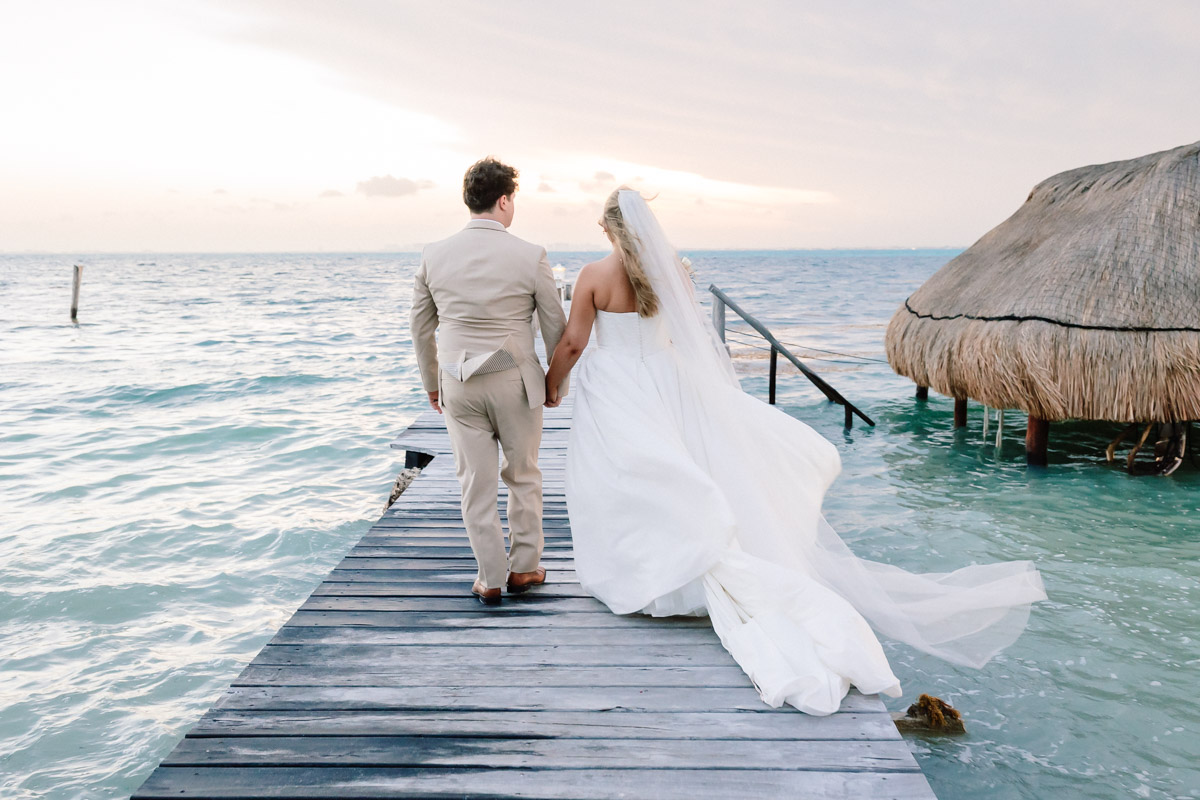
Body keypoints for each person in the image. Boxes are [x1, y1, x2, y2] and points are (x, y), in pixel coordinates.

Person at [545, 188, 1047, 715]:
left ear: (609, 230)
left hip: (620, 384)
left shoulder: (594, 277)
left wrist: (553, 384)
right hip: (668, 380)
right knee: (678, 469)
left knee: (626, 477)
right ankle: (679, 566)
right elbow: (685, 334)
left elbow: (576, 343)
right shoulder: (672, 270)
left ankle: (643, 570)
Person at [410, 157, 568, 605]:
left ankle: (490, 578)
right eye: (512, 199)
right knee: (523, 475)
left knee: (474, 482)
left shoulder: (433, 254)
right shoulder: (530, 253)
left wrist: (432, 383)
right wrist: (556, 384)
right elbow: (554, 325)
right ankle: (524, 569)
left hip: (459, 382)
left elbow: (421, 328)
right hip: (516, 381)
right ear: (503, 200)